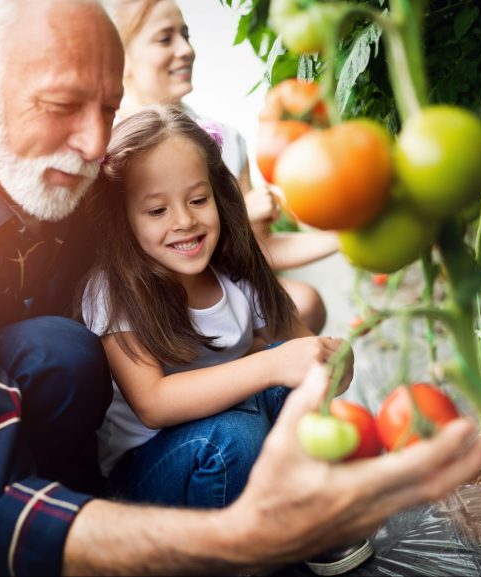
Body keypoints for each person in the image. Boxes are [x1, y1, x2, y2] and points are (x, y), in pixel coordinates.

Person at [0, 1, 481, 576]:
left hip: (9, 389)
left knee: (61, 352)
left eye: (108, 107)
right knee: (75, 367)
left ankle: (107, 512)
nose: (91, 142)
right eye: (61, 104)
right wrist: (238, 536)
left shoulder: (62, 171)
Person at [80, 105, 369, 575]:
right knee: (234, 437)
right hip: (153, 479)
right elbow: (153, 401)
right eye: (156, 210)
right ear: (123, 218)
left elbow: (298, 353)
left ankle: (298, 516)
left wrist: (331, 362)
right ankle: (226, 557)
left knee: (291, 376)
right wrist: (273, 366)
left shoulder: (235, 276)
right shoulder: (115, 290)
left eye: (198, 200)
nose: (184, 222)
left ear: (219, 195)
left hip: (230, 443)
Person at [104, 0, 339, 334]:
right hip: (153, 310)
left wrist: (347, 237)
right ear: (122, 58)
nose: (186, 50)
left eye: (186, 35)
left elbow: (261, 248)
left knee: (305, 303)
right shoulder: (108, 150)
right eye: (164, 39)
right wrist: (237, 216)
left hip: (224, 295)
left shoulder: (227, 140)